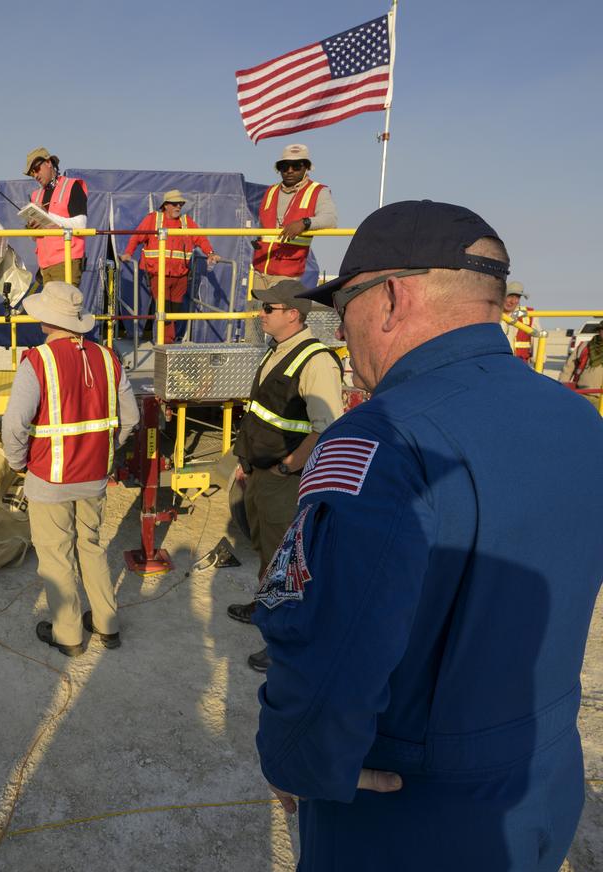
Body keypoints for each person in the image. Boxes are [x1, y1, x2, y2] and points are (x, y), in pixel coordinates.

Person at [252, 200, 603, 871]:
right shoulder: (578, 418)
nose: (341, 334)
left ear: (389, 298)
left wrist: (302, 756)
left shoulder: (381, 436)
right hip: (543, 776)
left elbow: (332, 636)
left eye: (341, 308)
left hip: (415, 813)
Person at [1, 281, 139, 656]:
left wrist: (18, 462)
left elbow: (14, 424)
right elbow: (130, 418)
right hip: (94, 476)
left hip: (49, 478)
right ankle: (107, 625)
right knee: (91, 546)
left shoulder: (38, 361)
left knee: (56, 555)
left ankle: (68, 635)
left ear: (46, 321)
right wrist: (106, 452)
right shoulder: (109, 358)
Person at [222, 279, 343, 673]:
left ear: (293, 314)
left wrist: (288, 465)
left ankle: (283, 641)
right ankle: (264, 608)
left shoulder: (315, 360)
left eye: (268, 309)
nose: (261, 314)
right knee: (265, 547)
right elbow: (263, 412)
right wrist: (247, 458)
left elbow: (326, 428)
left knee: (283, 561)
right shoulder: (278, 351)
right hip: (261, 472)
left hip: (282, 478)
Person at [121, 190, 221, 343]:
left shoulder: (186, 221)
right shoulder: (153, 219)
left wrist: (211, 253)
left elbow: (201, 238)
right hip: (158, 274)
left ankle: (169, 341)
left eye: (180, 204)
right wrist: (128, 253)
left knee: (175, 311)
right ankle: (164, 343)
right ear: (165, 205)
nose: (178, 207)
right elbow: (137, 237)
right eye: (175, 204)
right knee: (164, 310)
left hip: (180, 275)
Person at [251, 144, 337, 292]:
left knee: (278, 315)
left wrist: (305, 223)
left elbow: (331, 219)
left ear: (306, 168)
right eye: (285, 166)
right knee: (256, 315)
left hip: (287, 274)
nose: (290, 171)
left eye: (296, 166)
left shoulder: (318, 191)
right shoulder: (270, 191)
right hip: (259, 270)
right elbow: (263, 225)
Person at [25, 147, 88, 286]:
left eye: (36, 169)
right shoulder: (36, 196)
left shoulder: (72, 186)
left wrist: (47, 216)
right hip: (45, 264)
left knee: (64, 307)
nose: (35, 175)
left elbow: (81, 224)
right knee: (53, 308)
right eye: (32, 173)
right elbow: (34, 238)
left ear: (48, 163)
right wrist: (32, 229)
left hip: (66, 260)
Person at [560, 323, 603, 396]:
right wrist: (562, 389)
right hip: (582, 395)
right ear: (599, 331)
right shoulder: (585, 346)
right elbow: (568, 369)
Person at [501, 280, 536, 362]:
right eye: (510, 296)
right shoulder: (491, 314)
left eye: (517, 297)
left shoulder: (529, 315)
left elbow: (538, 347)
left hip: (520, 368)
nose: (513, 301)